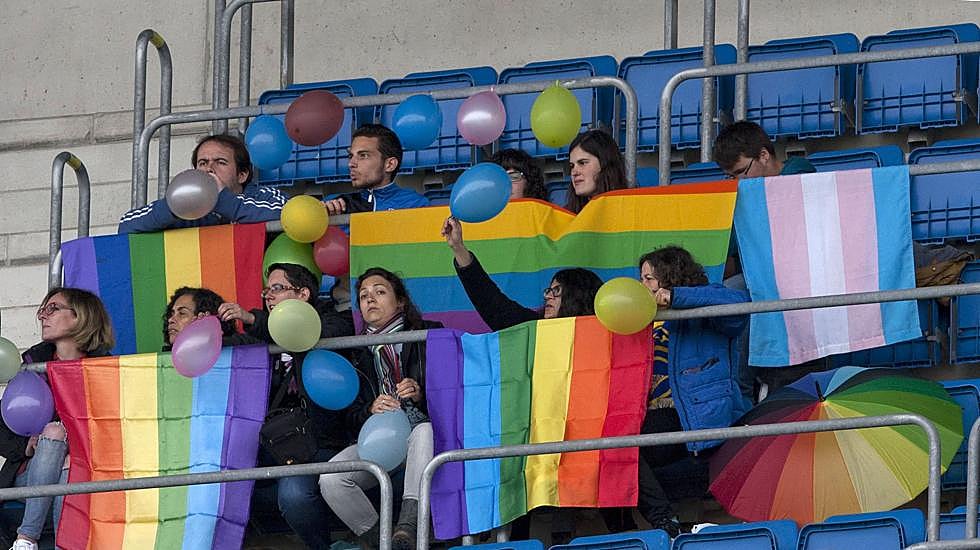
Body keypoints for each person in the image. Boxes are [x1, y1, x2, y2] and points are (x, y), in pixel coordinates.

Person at [217, 262, 354, 550]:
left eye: (277, 289)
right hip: (274, 442)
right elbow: (234, 346)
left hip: (320, 442)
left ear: (303, 294)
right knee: (217, 482)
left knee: (293, 494)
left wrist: (252, 318)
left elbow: (304, 336)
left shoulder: (334, 321)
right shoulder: (261, 335)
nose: (268, 296)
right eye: (266, 290)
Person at [318, 268, 442, 550]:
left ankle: (408, 525)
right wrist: (370, 410)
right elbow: (350, 417)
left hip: (424, 438)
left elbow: (452, 392)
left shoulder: (430, 334)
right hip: (379, 442)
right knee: (331, 477)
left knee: (423, 429)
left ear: (400, 302)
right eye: (363, 296)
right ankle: (381, 541)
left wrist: (421, 393)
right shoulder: (356, 352)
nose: (370, 299)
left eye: (380, 292)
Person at [634, 246, 752, 536]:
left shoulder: (702, 301)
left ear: (670, 277)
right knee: (607, 449)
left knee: (620, 448)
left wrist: (675, 298)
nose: (642, 286)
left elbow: (739, 304)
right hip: (648, 414)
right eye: (641, 279)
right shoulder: (639, 316)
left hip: (691, 411)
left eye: (649, 279)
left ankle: (663, 522)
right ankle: (656, 523)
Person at [0, 288, 114, 550]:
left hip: (83, 470)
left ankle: (28, 540)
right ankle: (29, 537)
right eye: (42, 309)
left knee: (67, 465)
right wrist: (25, 446)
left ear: (81, 317)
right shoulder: (31, 366)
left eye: (53, 308)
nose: (43, 316)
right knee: (53, 432)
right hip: (29, 473)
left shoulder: (105, 369)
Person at [442, 216, 602, 329]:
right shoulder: (533, 328)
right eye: (549, 290)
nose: (547, 296)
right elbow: (492, 303)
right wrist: (458, 248)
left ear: (578, 296)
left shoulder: (601, 334)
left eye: (557, 291)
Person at [118, 134, 286, 234]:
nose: (209, 169)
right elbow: (127, 225)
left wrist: (222, 199)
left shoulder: (265, 196)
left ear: (242, 175)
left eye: (220, 162)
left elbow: (284, 213)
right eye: (203, 163)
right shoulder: (189, 210)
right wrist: (176, 207)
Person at [323, 124, 429, 215]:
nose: (351, 164)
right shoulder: (334, 204)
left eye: (363, 155)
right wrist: (318, 216)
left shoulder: (414, 205)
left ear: (390, 164)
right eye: (351, 156)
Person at [162, 286, 260, 349]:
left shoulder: (235, 348)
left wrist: (210, 339)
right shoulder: (162, 362)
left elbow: (261, 345)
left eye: (182, 313)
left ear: (205, 319)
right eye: (172, 313)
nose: (171, 320)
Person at [712, 120, 816, 179]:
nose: (738, 182)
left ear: (763, 155)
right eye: (731, 176)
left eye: (742, 172)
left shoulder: (799, 174)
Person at [564, 129, 628, 214]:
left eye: (582, 163)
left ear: (604, 163)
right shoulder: (565, 215)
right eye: (572, 166)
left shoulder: (631, 208)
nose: (574, 172)